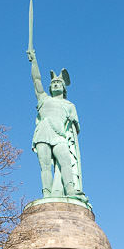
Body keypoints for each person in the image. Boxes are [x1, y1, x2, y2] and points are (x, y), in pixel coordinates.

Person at [27, 49, 86, 203]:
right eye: (53, 83)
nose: (55, 85)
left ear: (64, 88)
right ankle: (46, 194)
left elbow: (74, 131)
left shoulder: (69, 105)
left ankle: (70, 189)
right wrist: (34, 61)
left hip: (60, 136)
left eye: (58, 83)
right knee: (45, 166)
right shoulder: (44, 99)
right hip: (43, 133)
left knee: (65, 162)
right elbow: (36, 80)